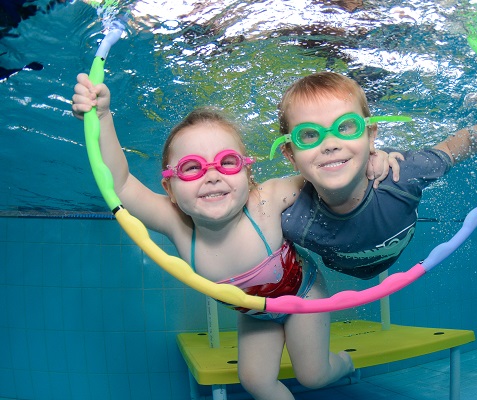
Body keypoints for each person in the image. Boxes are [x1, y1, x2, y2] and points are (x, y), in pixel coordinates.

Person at [71, 72, 399, 399]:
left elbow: (330, 175)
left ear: (247, 174)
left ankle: (344, 363)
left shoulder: (266, 201)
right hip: (256, 313)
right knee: (255, 381)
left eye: (227, 162)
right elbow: (121, 184)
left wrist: (372, 158)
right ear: (169, 188)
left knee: (313, 376)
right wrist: (101, 116)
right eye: (191, 167)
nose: (211, 176)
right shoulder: (177, 224)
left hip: (303, 294)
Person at [273, 71, 477, 280]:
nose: (330, 144)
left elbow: (449, 148)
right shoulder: (290, 220)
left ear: (370, 136)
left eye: (346, 126)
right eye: (308, 135)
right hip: (340, 268)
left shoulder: (401, 174)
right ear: (291, 155)